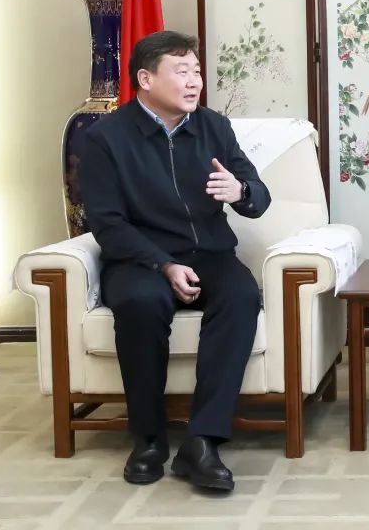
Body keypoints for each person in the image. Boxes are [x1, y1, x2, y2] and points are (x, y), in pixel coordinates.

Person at [78, 30, 270, 491]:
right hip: (139, 260)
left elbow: (259, 197)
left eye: (197, 71)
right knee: (141, 303)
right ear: (145, 79)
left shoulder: (214, 127)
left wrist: (240, 190)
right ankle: (148, 439)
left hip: (209, 254)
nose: (194, 81)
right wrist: (163, 264)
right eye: (182, 71)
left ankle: (202, 441)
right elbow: (106, 223)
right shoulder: (105, 138)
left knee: (242, 296)